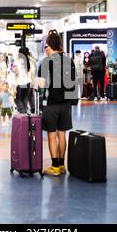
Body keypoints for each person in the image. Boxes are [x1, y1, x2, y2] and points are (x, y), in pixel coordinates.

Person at [38, 30, 77, 176]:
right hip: (66, 104)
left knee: (51, 134)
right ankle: (62, 165)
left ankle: (54, 167)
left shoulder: (46, 62)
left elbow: (41, 85)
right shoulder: (69, 61)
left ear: (49, 46)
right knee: (62, 134)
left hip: (51, 103)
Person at [15, 47, 32, 114]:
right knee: (25, 99)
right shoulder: (28, 61)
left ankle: (22, 112)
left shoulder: (17, 62)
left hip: (20, 83)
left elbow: (15, 72)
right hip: (27, 83)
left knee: (18, 99)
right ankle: (25, 114)